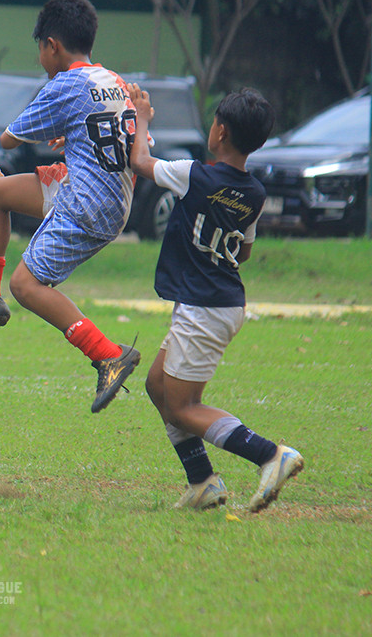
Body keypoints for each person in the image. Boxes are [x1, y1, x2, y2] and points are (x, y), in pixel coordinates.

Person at [0, 0, 142, 412]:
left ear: (52, 45)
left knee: (25, 285)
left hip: (85, 203)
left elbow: (9, 139)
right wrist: (76, 132)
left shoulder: (66, 84)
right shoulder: (115, 82)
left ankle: (108, 354)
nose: (40, 60)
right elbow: (134, 141)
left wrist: (62, 121)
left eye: (39, 50)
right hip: (107, 194)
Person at [127, 82, 304, 512]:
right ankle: (203, 482)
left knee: (183, 407)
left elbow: (140, 162)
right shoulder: (255, 193)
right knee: (157, 385)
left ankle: (270, 455)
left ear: (220, 131)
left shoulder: (194, 174)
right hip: (219, 301)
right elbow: (244, 251)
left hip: (205, 307)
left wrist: (142, 118)